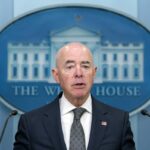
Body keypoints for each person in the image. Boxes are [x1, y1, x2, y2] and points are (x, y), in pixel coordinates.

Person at [13, 42, 136, 150]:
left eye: (85, 66)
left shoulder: (119, 121)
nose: (78, 73)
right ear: (56, 76)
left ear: (94, 73)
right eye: (70, 66)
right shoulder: (31, 123)